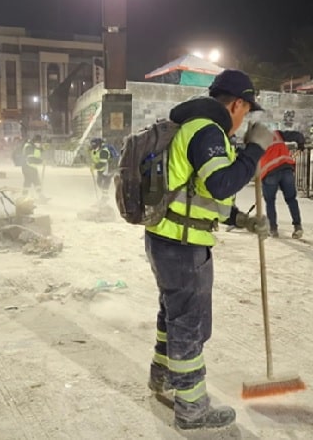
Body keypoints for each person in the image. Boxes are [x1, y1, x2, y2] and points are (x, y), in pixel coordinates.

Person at [145, 69, 274, 430]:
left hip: (166, 237)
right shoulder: (207, 129)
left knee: (172, 314)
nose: (243, 120)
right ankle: (192, 409)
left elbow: (199, 195)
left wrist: (243, 220)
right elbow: (221, 184)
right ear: (237, 103)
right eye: (245, 113)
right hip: (183, 247)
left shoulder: (192, 127)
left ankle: (163, 376)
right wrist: (253, 151)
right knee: (189, 324)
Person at [260, 129, 305, 238]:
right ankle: (298, 227)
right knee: (291, 199)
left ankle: (273, 229)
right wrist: (301, 145)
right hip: (286, 169)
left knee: (270, 202)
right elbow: (297, 135)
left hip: (269, 172)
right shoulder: (277, 134)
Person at [21, 134, 48, 202]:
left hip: (29, 167)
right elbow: (31, 158)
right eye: (39, 142)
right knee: (36, 182)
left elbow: (37, 153)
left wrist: (42, 149)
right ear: (35, 141)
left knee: (27, 182)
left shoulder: (33, 146)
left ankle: (24, 196)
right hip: (28, 167)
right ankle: (41, 196)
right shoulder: (29, 147)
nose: (39, 144)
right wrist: (41, 161)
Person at [89, 137, 114, 204]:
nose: (92, 145)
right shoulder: (94, 151)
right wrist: (93, 165)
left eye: (94, 144)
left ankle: (105, 198)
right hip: (101, 170)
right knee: (99, 182)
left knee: (105, 183)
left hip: (108, 169)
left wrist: (94, 167)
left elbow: (102, 163)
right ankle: (104, 197)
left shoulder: (104, 152)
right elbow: (95, 159)